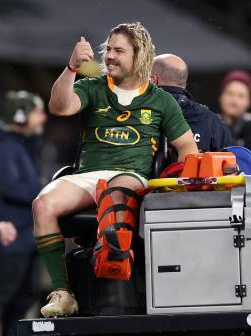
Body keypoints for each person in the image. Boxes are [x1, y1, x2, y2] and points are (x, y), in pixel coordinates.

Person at [35, 22, 198, 318]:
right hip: (89, 174)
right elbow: (59, 107)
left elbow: (188, 146)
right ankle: (62, 292)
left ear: (140, 56)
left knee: (117, 190)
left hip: (132, 176)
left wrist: (177, 182)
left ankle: (114, 274)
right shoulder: (92, 86)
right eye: (108, 49)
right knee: (43, 204)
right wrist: (72, 68)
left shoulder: (161, 100)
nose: (109, 56)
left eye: (118, 50)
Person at [0, 90, 47, 336]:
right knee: (3, 293)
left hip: (26, 231)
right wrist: (44, 193)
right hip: (13, 232)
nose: (42, 117)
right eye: (37, 111)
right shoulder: (4, 148)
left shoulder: (20, 145)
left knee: (26, 291)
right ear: (21, 115)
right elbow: (9, 187)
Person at [151, 54, 233, 154]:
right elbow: (233, 163)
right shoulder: (212, 122)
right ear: (184, 83)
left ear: (153, 80)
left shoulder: (135, 114)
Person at [219, 70, 251, 150]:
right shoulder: (210, 123)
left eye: (241, 96)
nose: (234, 101)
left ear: (249, 101)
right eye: (230, 93)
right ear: (221, 96)